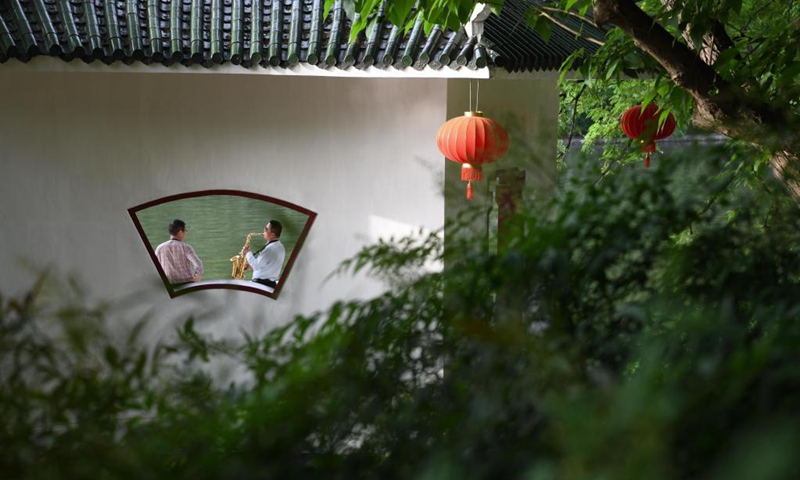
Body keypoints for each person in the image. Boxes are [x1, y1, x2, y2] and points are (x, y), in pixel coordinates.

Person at [154, 219, 203, 286]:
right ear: (180, 231)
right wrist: (196, 278)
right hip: (186, 284)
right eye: (185, 231)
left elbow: (154, 268)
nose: (185, 233)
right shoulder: (186, 247)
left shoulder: (159, 248)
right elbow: (198, 264)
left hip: (169, 286)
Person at [243, 220, 285, 289]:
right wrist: (249, 267)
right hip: (269, 284)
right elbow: (268, 267)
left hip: (261, 285)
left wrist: (247, 252)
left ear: (272, 235)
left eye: (266, 229)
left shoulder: (270, 249)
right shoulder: (279, 246)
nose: (263, 231)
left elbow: (256, 265)